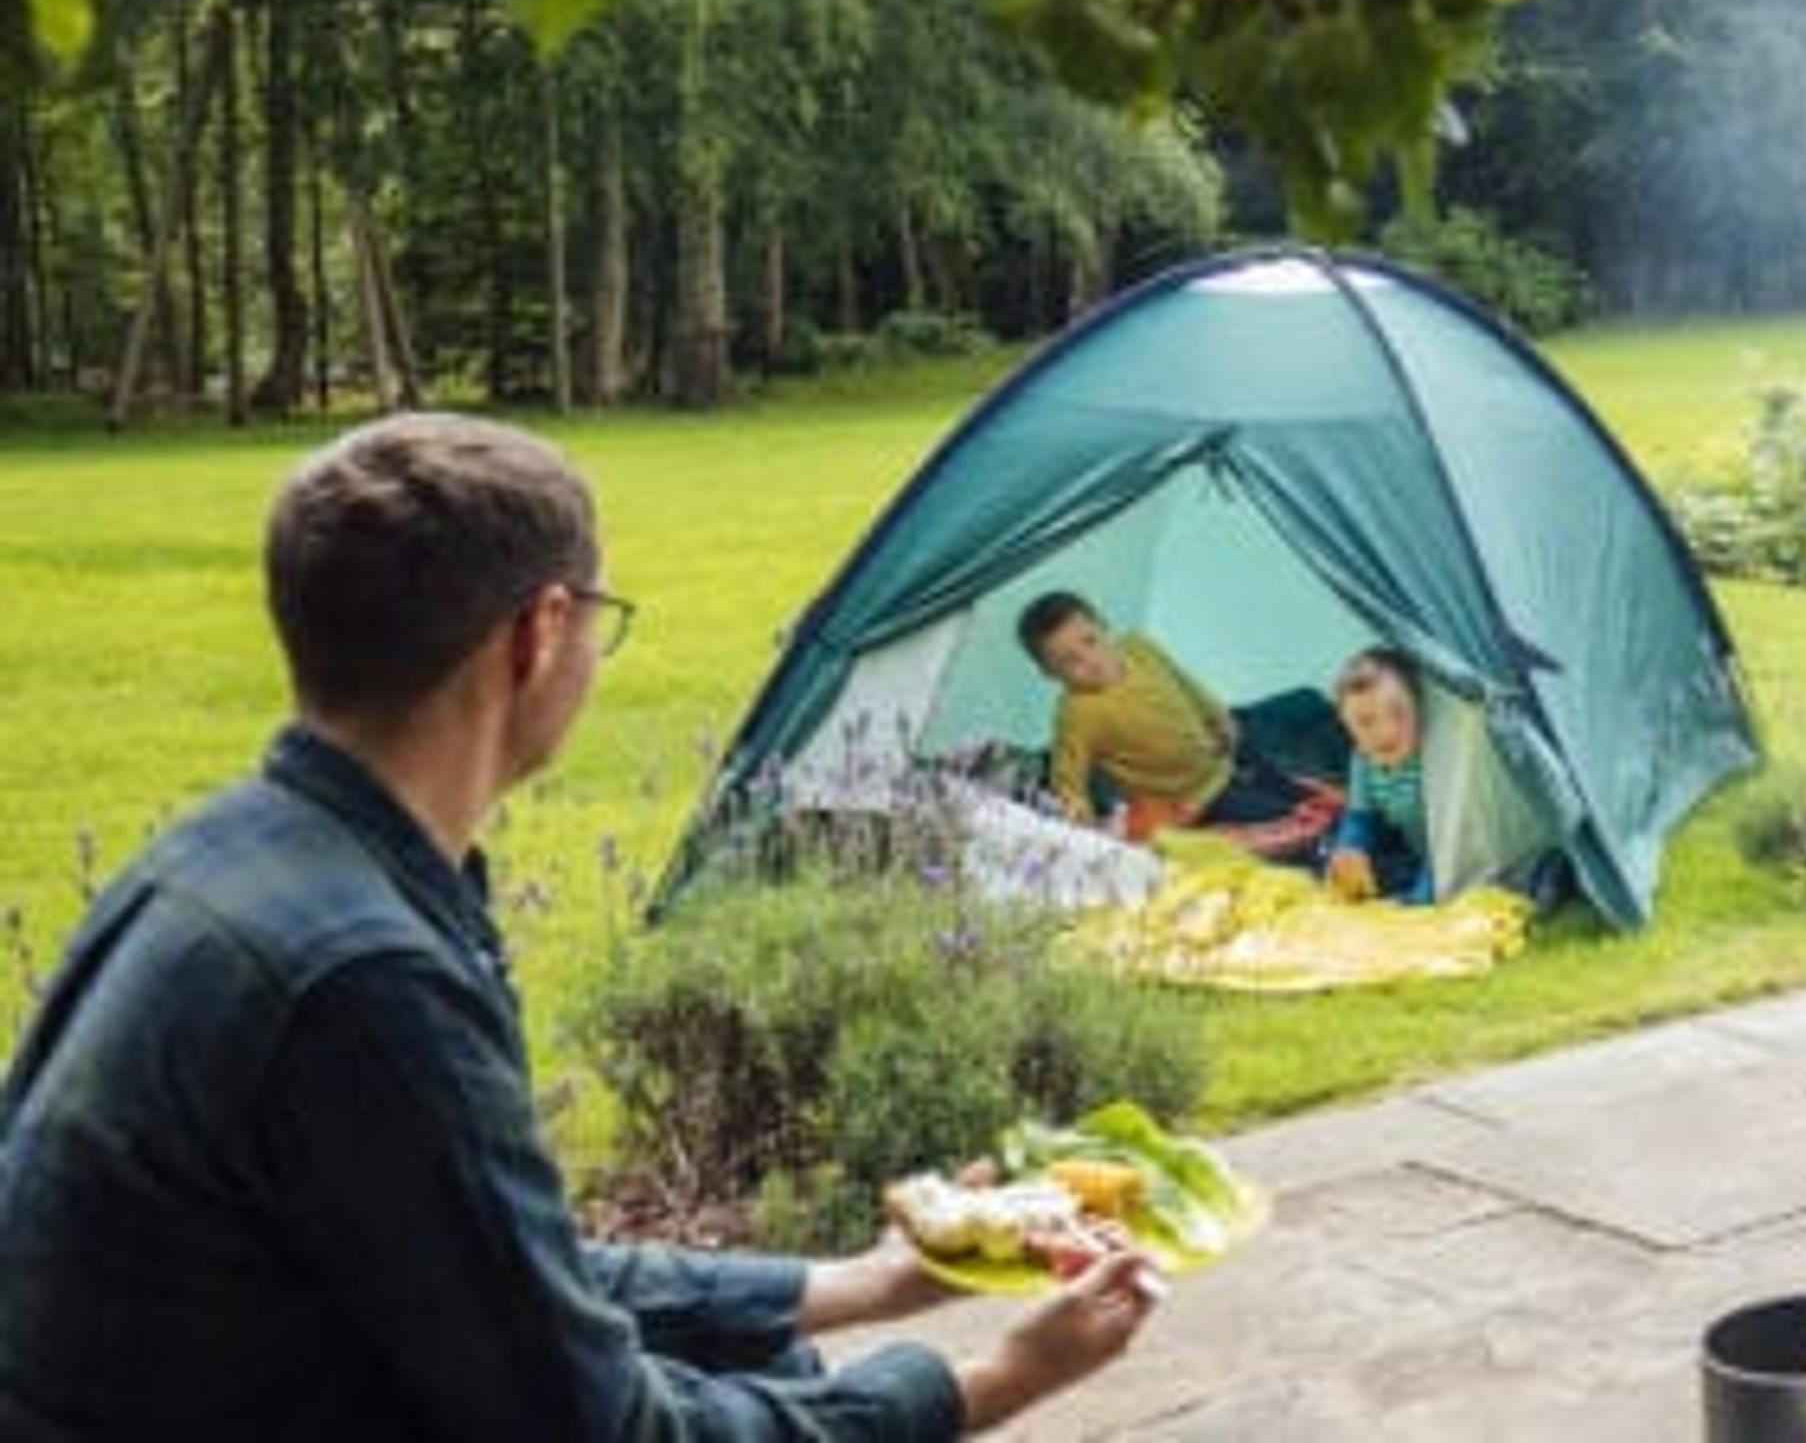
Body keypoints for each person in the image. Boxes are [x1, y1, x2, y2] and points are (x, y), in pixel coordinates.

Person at [0, 413, 1157, 1439]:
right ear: (538, 634)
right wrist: (987, 1380)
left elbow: (506, 1273)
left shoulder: (224, 856)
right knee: (795, 1387)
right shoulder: (363, 982)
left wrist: (867, 1282)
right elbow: (602, 1425)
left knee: (776, 1351)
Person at [1018, 592, 1338, 857]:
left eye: (1090, 641)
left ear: (1103, 626)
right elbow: (1067, 774)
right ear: (1050, 673)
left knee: (1286, 784)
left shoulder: (1138, 647)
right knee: (1280, 816)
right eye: (1070, 662)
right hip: (1189, 796)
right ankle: (1321, 843)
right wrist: (1078, 815)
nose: (1090, 662)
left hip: (1217, 750)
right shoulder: (1076, 714)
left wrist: (1217, 716)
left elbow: (1184, 682)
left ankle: (1326, 810)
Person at [1323, 647, 1434, 906]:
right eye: (1365, 722)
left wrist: (1418, 903)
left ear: (1419, 707)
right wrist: (1350, 848)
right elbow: (1361, 817)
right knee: (1335, 853)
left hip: (1447, 851)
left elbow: (1449, 849)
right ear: (1346, 726)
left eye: (1398, 713)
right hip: (1412, 850)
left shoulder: (1434, 759)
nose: (1386, 732)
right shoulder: (1363, 760)